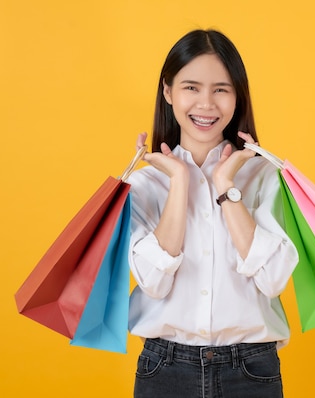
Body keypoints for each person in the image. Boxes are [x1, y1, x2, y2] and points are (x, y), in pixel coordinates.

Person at [126, 29, 298, 398]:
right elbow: (154, 282)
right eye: (191, 87)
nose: (206, 104)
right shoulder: (144, 185)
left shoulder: (265, 177)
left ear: (238, 97)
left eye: (221, 89)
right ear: (168, 92)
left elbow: (272, 279)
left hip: (252, 370)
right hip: (165, 369)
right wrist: (180, 182)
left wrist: (225, 185)